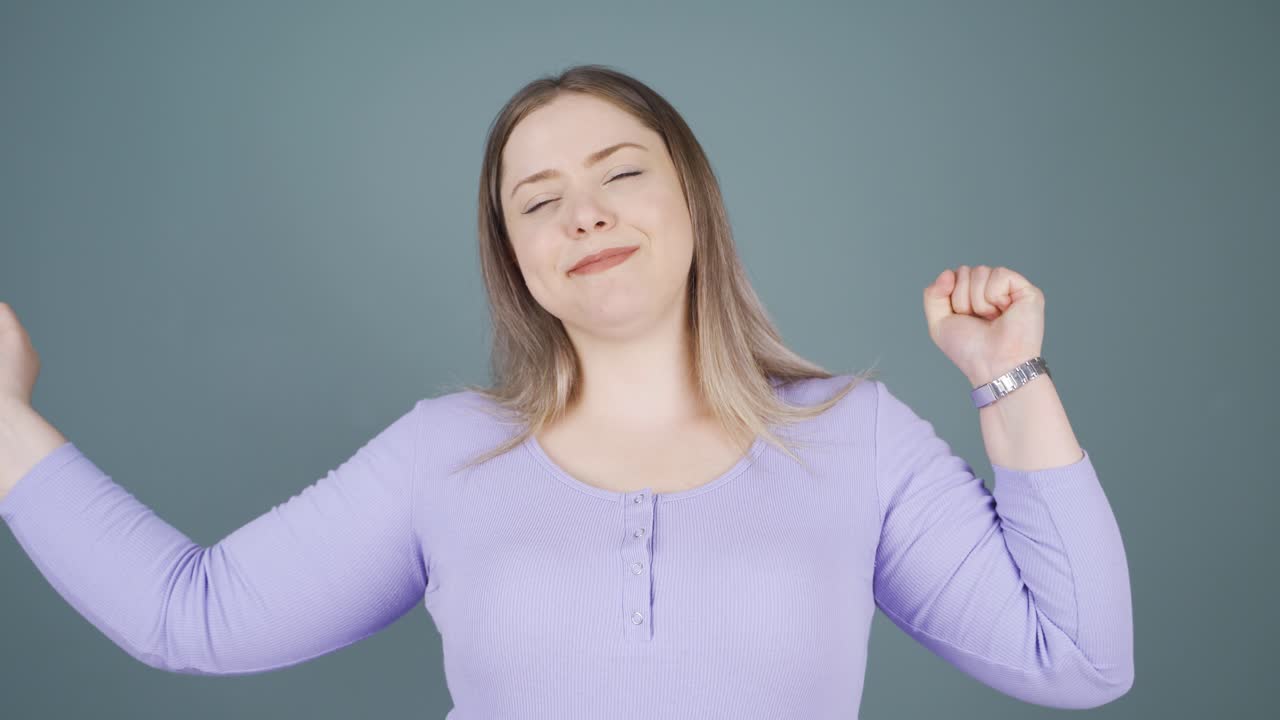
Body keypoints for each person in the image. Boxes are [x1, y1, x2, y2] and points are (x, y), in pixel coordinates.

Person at [0, 64, 1133, 718]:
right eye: (537, 201)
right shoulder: (446, 453)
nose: (583, 214)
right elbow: (189, 617)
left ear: (693, 202)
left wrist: (1007, 376)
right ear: (516, 257)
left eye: (620, 173)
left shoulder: (854, 436)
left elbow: (1078, 661)